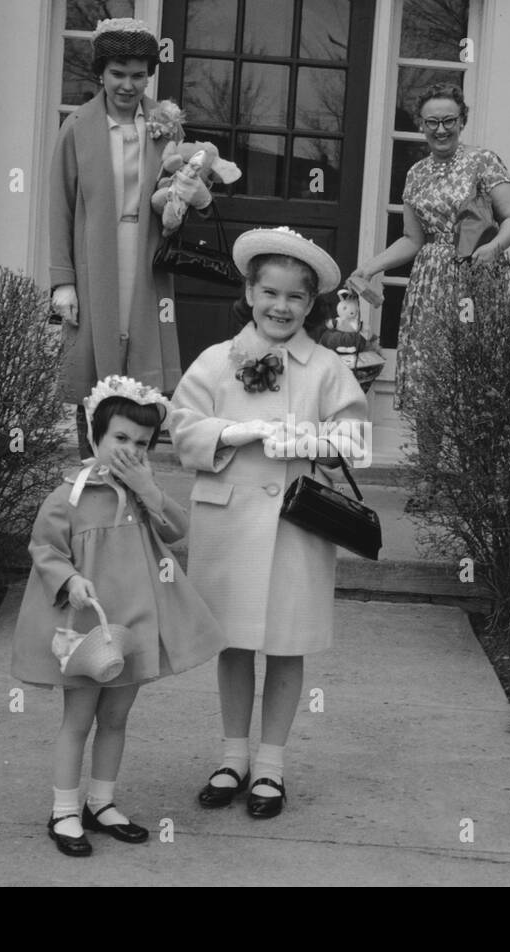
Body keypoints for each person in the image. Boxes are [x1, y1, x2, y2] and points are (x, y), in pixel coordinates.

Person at [168, 227, 369, 819]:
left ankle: (272, 766)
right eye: (270, 293)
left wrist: (310, 437)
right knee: (233, 642)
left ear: (311, 305)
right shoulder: (215, 361)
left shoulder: (326, 367)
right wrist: (237, 431)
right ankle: (233, 757)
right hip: (230, 525)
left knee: (285, 643)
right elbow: (182, 427)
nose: (281, 307)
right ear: (250, 293)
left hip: (294, 527)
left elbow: (354, 435)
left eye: (295, 298)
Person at [11, 375, 225, 856]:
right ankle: (65, 810)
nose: (130, 450)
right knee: (79, 718)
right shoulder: (69, 496)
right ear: (95, 436)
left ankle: (101, 802)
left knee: (117, 716)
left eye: (141, 443)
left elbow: (177, 530)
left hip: (134, 625)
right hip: (87, 629)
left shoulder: (140, 494)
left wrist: (148, 486)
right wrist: (69, 579)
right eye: (120, 439)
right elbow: (45, 548)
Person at [49, 18, 182, 461]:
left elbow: (178, 188)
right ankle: (94, 468)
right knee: (94, 367)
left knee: (142, 363)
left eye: (138, 74)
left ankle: (136, 471)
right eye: (118, 73)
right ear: (101, 73)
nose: (128, 84)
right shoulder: (78, 127)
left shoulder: (165, 125)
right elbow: (60, 206)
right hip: (96, 258)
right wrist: (62, 280)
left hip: (146, 256)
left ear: (149, 75)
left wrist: (183, 203)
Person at [350, 83, 510, 418]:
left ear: (462, 121)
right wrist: (370, 267)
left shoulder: (484, 161)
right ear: (421, 124)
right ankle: (430, 470)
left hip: (474, 276)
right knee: (431, 378)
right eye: (432, 122)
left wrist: (494, 249)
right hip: (429, 286)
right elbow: (412, 240)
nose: (440, 130)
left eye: (449, 121)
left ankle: (471, 469)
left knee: (471, 375)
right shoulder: (416, 174)